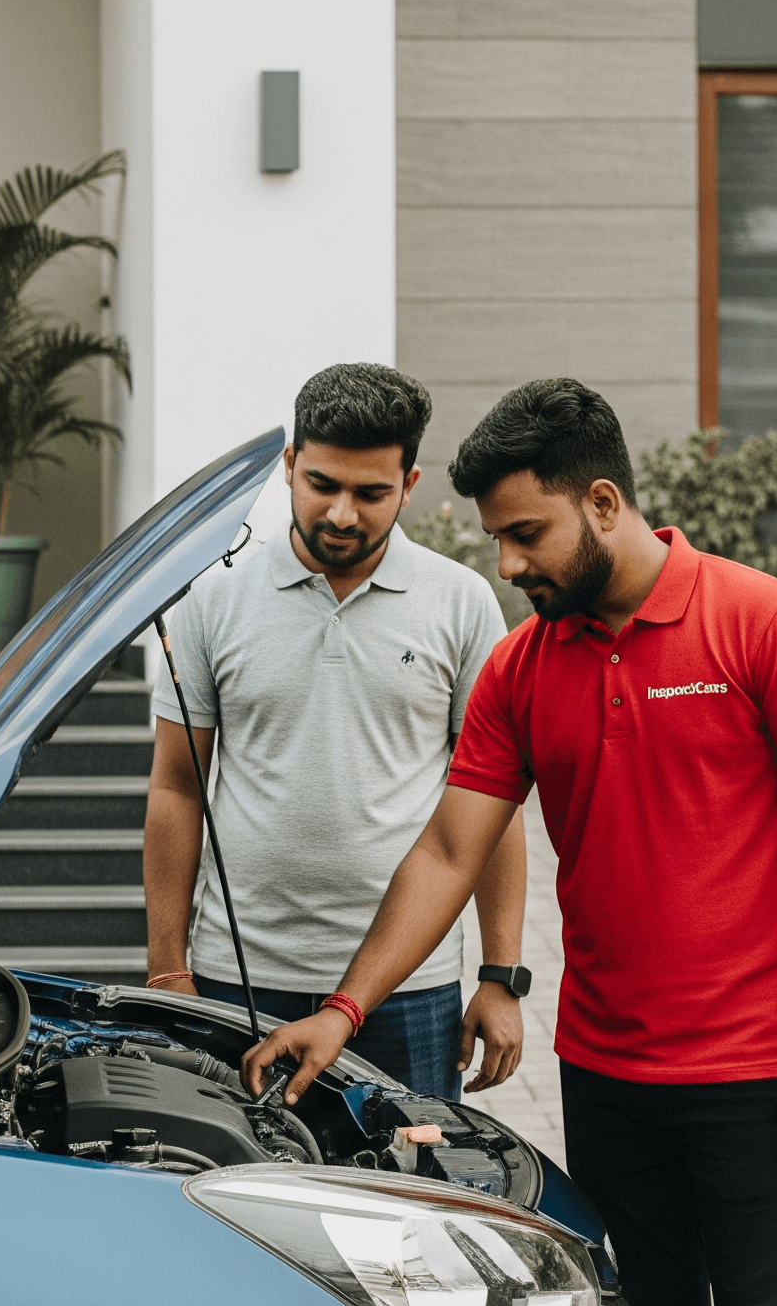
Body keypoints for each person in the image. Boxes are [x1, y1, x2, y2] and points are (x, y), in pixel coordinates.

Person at [239, 378, 777, 1306]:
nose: (508, 565)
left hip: (756, 1078)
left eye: (523, 534)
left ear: (599, 503)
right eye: (494, 539)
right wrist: (342, 1013)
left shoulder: (761, 623)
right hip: (609, 1073)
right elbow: (446, 851)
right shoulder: (523, 667)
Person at [144, 362, 532, 1102]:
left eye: (371, 493)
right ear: (290, 466)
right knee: (238, 1203)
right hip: (238, 976)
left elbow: (490, 803)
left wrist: (499, 975)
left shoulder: (462, 603)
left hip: (408, 987)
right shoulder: (214, 602)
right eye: (322, 484)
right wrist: (169, 969)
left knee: (407, 1205)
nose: (344, 514)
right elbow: (175, 786)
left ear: (409, 487)